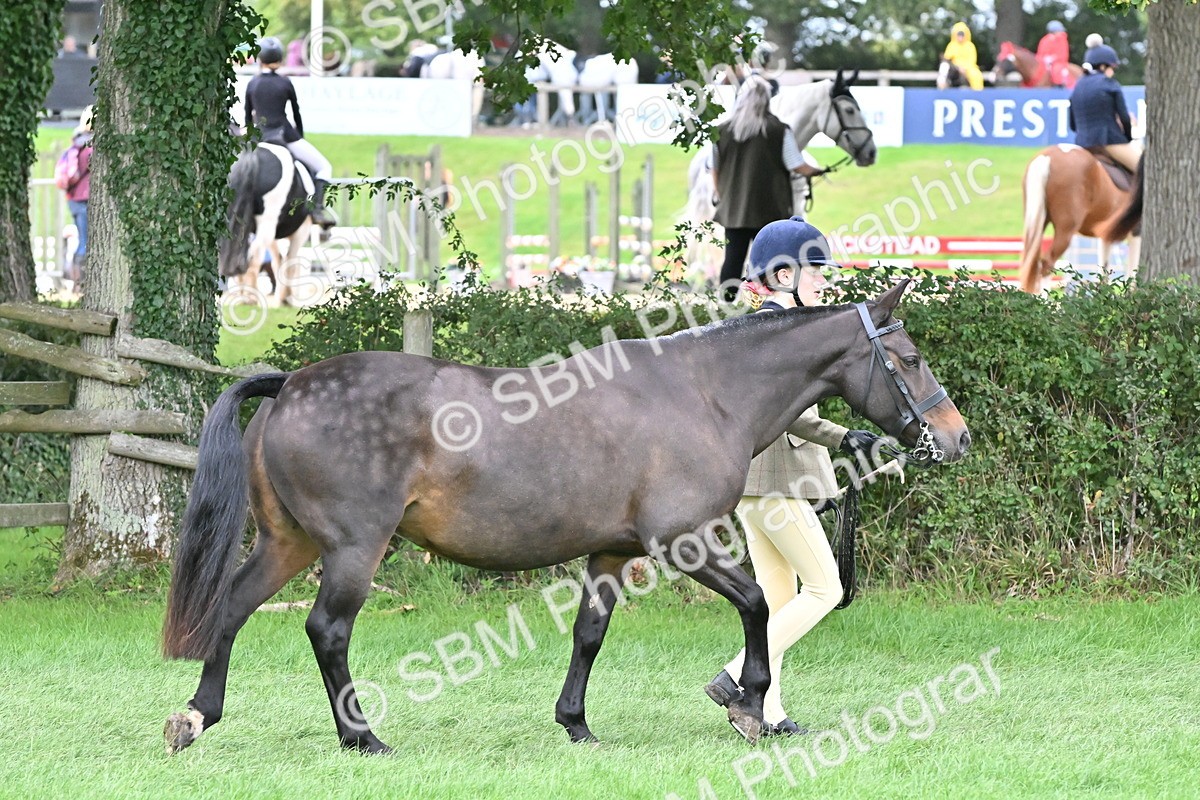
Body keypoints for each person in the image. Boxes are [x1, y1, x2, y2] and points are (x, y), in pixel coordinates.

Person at [705, 217, 885, 737]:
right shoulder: (780, 331)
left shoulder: (764, 327)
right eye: (816, 271)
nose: (825, 281)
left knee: (778, 603)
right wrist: (846, 437)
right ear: (784, 274)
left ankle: (766, 712)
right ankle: (737, 673)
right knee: (826, 588)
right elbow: (792, 413)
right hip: (777, 483)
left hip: (757, 487)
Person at [712, 74, 827, 302]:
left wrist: (720, 194)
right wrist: (817, 171)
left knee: (732, 258)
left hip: (734, 209)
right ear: (767, 100)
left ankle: (726, 305)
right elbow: (796, 164)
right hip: (770, 211)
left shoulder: (722, 130)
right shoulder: (778, 130)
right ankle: (768, 306)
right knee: (770, 262)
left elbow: (714, 168)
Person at [244, 36, 335, 226]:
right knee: (324, 167)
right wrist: (299, 136)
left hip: (258, 136)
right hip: (283, 135)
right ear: (279, 58)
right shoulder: (285, 83)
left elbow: (247, 115)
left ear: (260, 59)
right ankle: (316, 210)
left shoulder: (252, 84)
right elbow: (296, 113)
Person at [1069, 41, 1141, 175]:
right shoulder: (1109, 83)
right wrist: (1128, 138)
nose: (1113, 72)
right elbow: (1124, 117)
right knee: (1147, 171)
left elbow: (1073, 125)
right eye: (1112, 67)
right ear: (1102, 66)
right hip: (1109, 142)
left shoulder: (1077, 86)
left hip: (1082, 144)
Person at [59, 106, 94, 282]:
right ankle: (80, 282)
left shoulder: (78, 141)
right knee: (84, 241)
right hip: (83, 199)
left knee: (82, 239)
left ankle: (75, 280)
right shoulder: (89, 146)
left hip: (74, 199)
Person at [942, 22, 984, 90]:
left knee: (976, 75)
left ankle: (978, 92)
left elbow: (972, 60)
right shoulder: (951, 45)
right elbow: (947, 58)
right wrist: (958, 67)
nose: (960, 37)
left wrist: (965, 67)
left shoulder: (970, 46)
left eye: (962, 35)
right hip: (955, 67)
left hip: (969, 67)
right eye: (958, 35)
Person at [1036, 21, 1074, 89]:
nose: (1061, 33)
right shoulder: (1044, 40)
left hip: (1058, 62)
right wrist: (1044, 59)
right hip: (1044, 62)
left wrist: (1053, 59)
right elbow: (1040, 53)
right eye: (1059, 31)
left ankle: (1060, 85)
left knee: (1057, 69)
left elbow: (1063, 54)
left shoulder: (1062, 39)